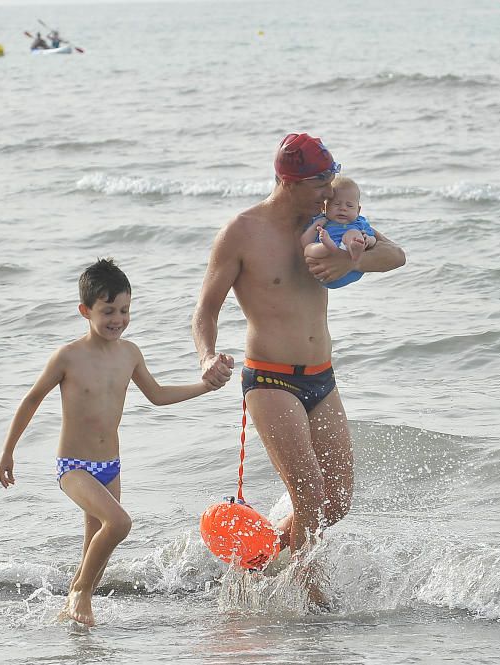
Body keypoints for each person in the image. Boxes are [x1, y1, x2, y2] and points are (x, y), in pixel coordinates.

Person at [192, 134, 406, 595]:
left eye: (331, 178)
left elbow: (395, 255)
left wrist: (353, 261)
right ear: (288, 181)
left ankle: (265, 558)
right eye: (319, 182)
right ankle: (309, 594)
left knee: (337, 501)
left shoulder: (328, 220)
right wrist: (207, 356)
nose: (329, 190)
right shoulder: (241, 231)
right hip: (270, 379)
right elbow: (205, 310)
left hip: (321, 378)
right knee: (309, 492)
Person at [0, 258, 218, 626]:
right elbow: (31, 399)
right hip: (75, 467)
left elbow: (158, 395)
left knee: (93, 553)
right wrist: (8, 451)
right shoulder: (68, 357)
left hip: (109, 466)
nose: (118, 318)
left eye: (125, 310)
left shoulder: (129, 354)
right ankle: (79, 592)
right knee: (118, 524)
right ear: (85, 311)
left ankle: (74, 616)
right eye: (108, 310)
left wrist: (204, 386)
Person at [300, 175, 376, 289]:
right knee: (308, 248)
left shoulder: (359, 223)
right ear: (325, 208)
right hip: (323, 269)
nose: (343, 208)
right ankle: (329, 246)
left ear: (358, 210)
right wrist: (316, 225)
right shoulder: (321, 221)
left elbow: (373, 239)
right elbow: (305, 241)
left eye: (349, 205)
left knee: (352, 233)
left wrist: (368, 240)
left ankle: (354, 248)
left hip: (349, 267)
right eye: (336, 204)